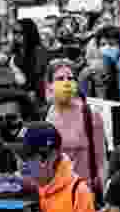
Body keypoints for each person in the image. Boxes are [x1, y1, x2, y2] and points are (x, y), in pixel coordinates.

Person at [45, 59, 106, 192]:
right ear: (49, 85)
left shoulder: (90, 115)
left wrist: (104, 197)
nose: (66, 83)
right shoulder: (47, 116)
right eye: (60, 78)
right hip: (57, 195)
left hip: (85, 194)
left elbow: (101, 162)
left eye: (70, 78)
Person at [20, 121, 96, 212]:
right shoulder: (27, 190)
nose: (22, 165)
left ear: (50, 156)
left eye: (27, 157)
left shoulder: (78, 193)